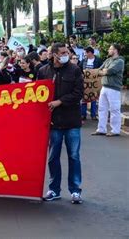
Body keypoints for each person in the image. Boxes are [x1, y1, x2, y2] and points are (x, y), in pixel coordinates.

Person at [37, 42, 84, 204]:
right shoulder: (43, 71)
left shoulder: (75, 70)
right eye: (63, 52)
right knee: (53, 157)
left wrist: (59, 102)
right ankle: (54, 189)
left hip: (72, 121)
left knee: (74, 156)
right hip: (53, 123)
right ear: (54, 55)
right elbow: (36, 96)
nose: (67, 55)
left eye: (67, 52)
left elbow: (78, 94)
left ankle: (75, 190)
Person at [92, 44, 125, 137]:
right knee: (102, 108)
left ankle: (115, 130)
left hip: (114, 88)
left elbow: (109, 71)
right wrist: (103, 71)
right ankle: (101, 129)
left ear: (115, 50)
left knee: (114, 109)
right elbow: (99, 70)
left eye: (110, 49)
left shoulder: (120, 61)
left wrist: (103, 71)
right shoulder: (108, 60)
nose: (108, 50)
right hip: (104, 87)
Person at [80, 47, 103, 121]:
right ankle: (83, 115)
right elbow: (79, 69)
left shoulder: (98, 60)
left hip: (94, 83)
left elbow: (101, 70)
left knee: (94, 98)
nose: (85, 54)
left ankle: (93, 115)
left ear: (90, 52)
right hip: (85, 83)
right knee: (84, 98)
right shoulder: (83, 61)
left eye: (86, 53)